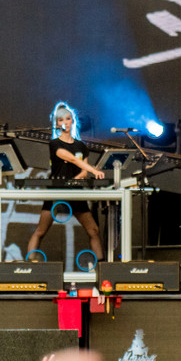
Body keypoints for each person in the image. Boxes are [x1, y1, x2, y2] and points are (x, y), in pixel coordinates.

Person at [26, 101, 106, 263]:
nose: (65, 123)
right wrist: (94, 170)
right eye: (61, 120)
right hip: (56, 191)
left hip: (75, 192)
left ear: (72, 121)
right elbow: (70, 158)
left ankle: (101, 268)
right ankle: (30, 265)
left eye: (68, 119)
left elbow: (82, 169)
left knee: (93, 230)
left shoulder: (81, 146)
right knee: (41, 231)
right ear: (56, 123)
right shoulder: (54, 143)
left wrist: (77, 179)